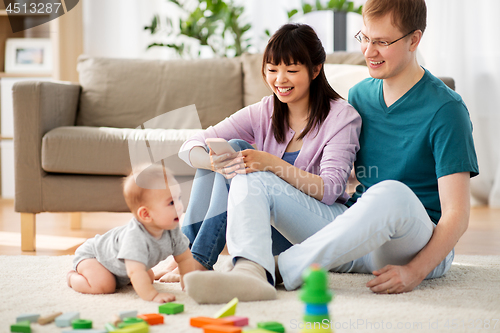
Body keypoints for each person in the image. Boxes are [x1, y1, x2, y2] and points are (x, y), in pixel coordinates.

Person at [183, 0, 479, 304]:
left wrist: (415, 272)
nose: (368, 51)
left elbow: (457, 215)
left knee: (391, 192)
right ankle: (249, 273)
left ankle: (280, 269)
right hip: (354, 239)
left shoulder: (447, 110)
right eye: (364, 38)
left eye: (382, 42)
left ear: (414, 40)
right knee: (251, 171)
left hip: (413, 242)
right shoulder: (361, 95)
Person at [159, 23, 362, 288]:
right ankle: (184, 254)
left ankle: (196, 260)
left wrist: (271, 164)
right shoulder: (265, 110)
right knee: (228, 148)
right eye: (272, 69)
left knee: (238, 151)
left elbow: (329, 190)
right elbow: (193, 144)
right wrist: (212, 162)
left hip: (318, 227)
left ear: (315, 70)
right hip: (271, 231)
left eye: (291, 70)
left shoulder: (342, 117)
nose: (280, 80)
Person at [66, 163, 196, 303]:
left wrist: (188, 285)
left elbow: (184, 258)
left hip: (122, 267)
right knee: (105, 285)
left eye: (179, 198)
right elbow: (135, 272)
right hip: (95, 258)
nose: (179, 206)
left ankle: (119, 278)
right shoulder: (135, 237)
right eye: (171, 202)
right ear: (146, 214)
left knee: (148, 278)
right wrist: (153, 296)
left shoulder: (172, 228)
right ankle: (72, 278)